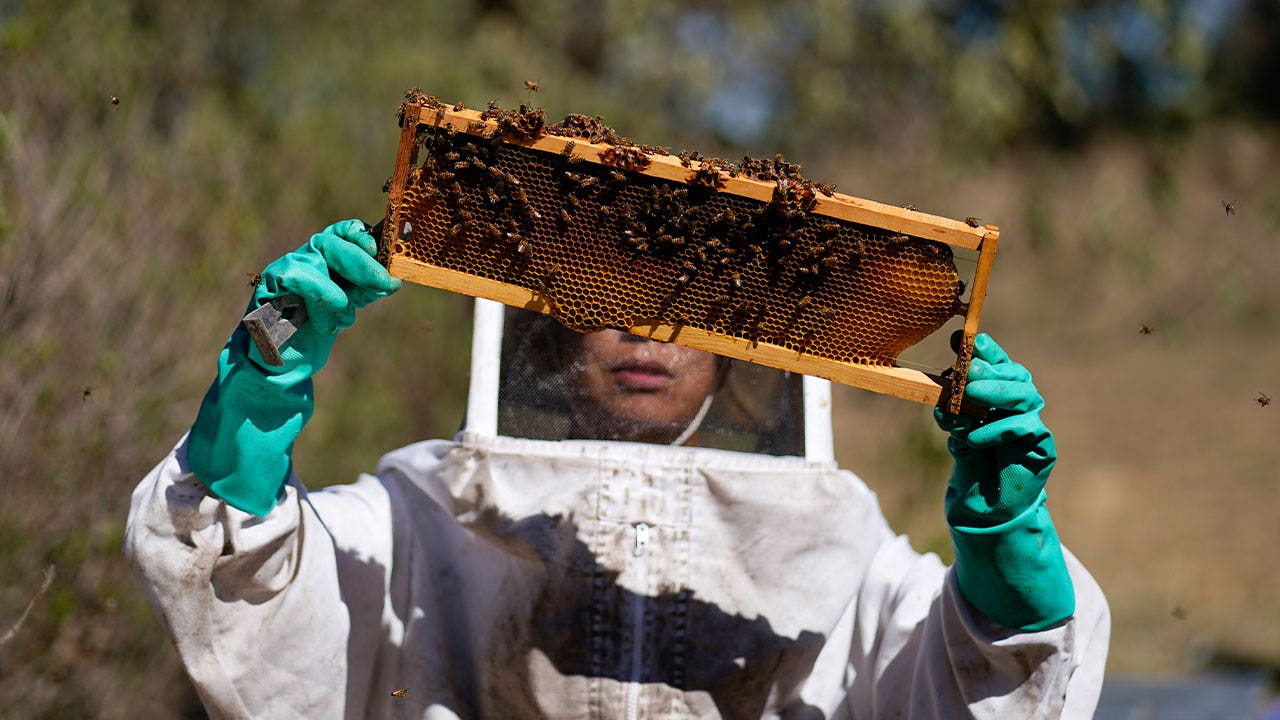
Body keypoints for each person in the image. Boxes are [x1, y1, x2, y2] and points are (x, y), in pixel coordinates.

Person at [125, 220, 1110, 719]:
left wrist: (1004, 537)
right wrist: (256, 397)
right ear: (546, 328)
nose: (648, 334)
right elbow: (246, 575)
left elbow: (993, 675)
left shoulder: (831, 535)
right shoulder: (427, 507)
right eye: (611, 295)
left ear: (739, 348)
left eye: (692, 305)